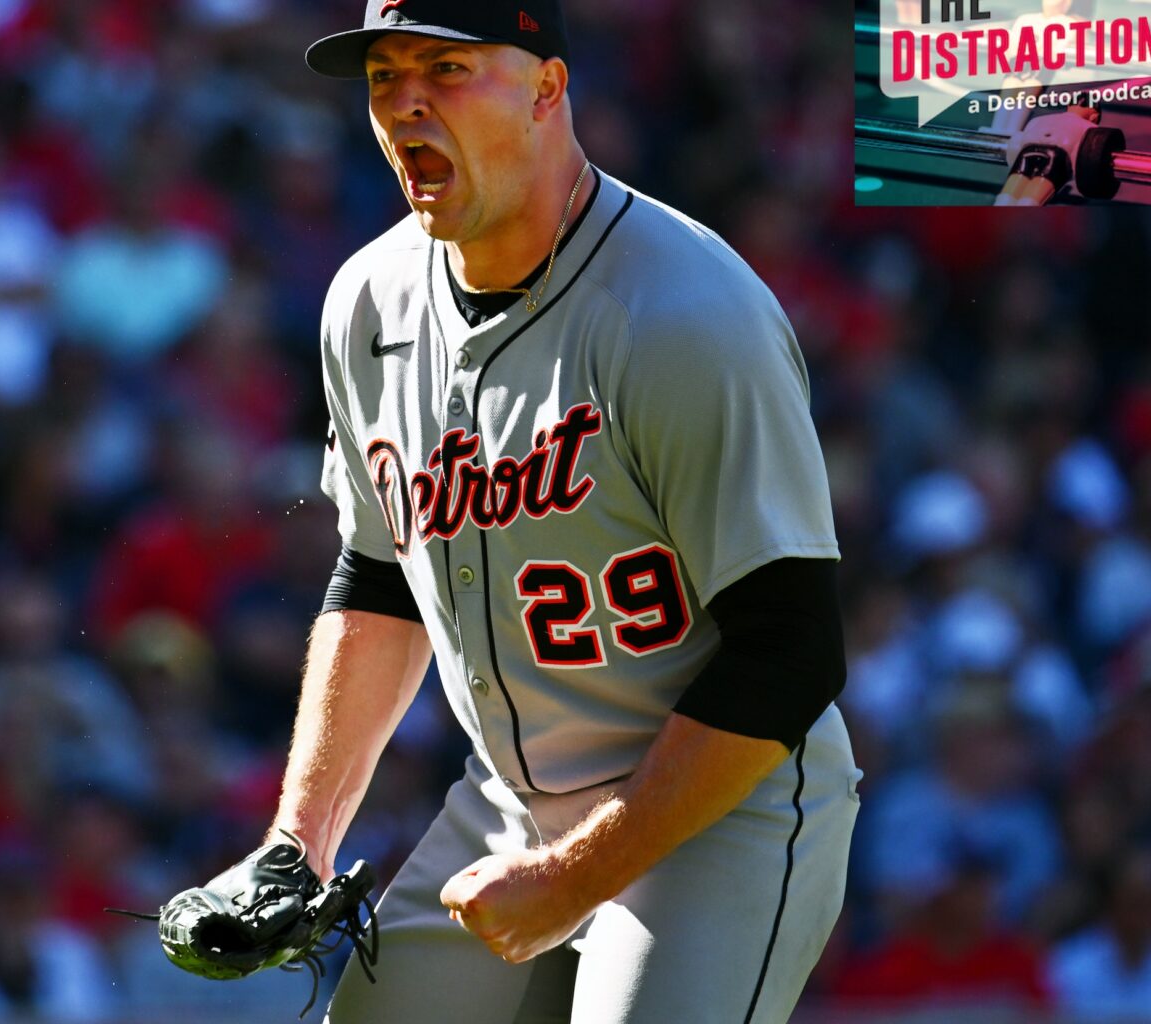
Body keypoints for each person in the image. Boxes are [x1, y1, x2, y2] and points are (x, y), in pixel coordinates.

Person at [272, 2, 862, 1020]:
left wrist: (575, 879)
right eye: (384, 77)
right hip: (510, 803)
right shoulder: (366, 301)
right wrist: (298, 841)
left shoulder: (686, 311)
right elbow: (378, 578)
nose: (406, 105)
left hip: (724, 806)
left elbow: (793, 652)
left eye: (445, 69)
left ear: (548, 86)